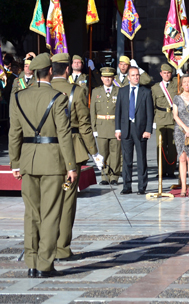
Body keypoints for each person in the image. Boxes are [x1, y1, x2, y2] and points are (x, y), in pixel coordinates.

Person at [9, 53, 76, 278]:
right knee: (50, 214)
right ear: (49, 71)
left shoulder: (19, 97)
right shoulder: (57, 97)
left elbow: (14, 132)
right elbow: (64, 134)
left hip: (28, 160)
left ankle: (31, 262)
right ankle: (45, 264)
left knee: (31, 214)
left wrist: (15, 162)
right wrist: (71, 166)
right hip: (53, 162)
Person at [50, 53, 101, 262]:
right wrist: (94, 152)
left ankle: (44, 246)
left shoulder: (37, 90)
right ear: (68, 69)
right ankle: (62, 248)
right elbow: (85, 125)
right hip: (71, 149)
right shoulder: (76, 91)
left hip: (46, 152)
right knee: (67, 200)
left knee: (48, 200)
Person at [115, 66, 154, 194]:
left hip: (140, 129)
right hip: (126, 129)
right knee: (127, 159)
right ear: (128, 77)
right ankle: (127, 186)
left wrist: (148, 129)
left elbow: (150, 113)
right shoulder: (122, 91)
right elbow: (118, 112)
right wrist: (117, 129)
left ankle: (142, 186)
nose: (136, 77)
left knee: (142, 158)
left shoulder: (146, 92)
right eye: (133, 75)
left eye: (137, 75)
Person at [91, 67, 121, 185]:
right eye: (105, 77)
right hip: (101, 126)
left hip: (115, 126)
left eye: (110, 77)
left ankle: (114, 176)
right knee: (102, 153)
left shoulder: (119, 91)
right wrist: (94, 128)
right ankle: (104, 176)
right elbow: (92, 111)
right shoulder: (96, 92)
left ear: (113, 78)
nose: (107, 79)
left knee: (115, 153)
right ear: (102, 78)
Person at [151, 64, 178, 178]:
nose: (166, 75)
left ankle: (171, 170)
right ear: (161, 74)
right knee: (160, 146)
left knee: (172, 146)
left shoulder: (176, 84)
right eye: (164, 73)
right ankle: (161, 170)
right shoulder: (155, 87)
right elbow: (152, 105)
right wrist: (152, 121)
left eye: (168, 73)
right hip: (160, 118)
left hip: (173, 118)